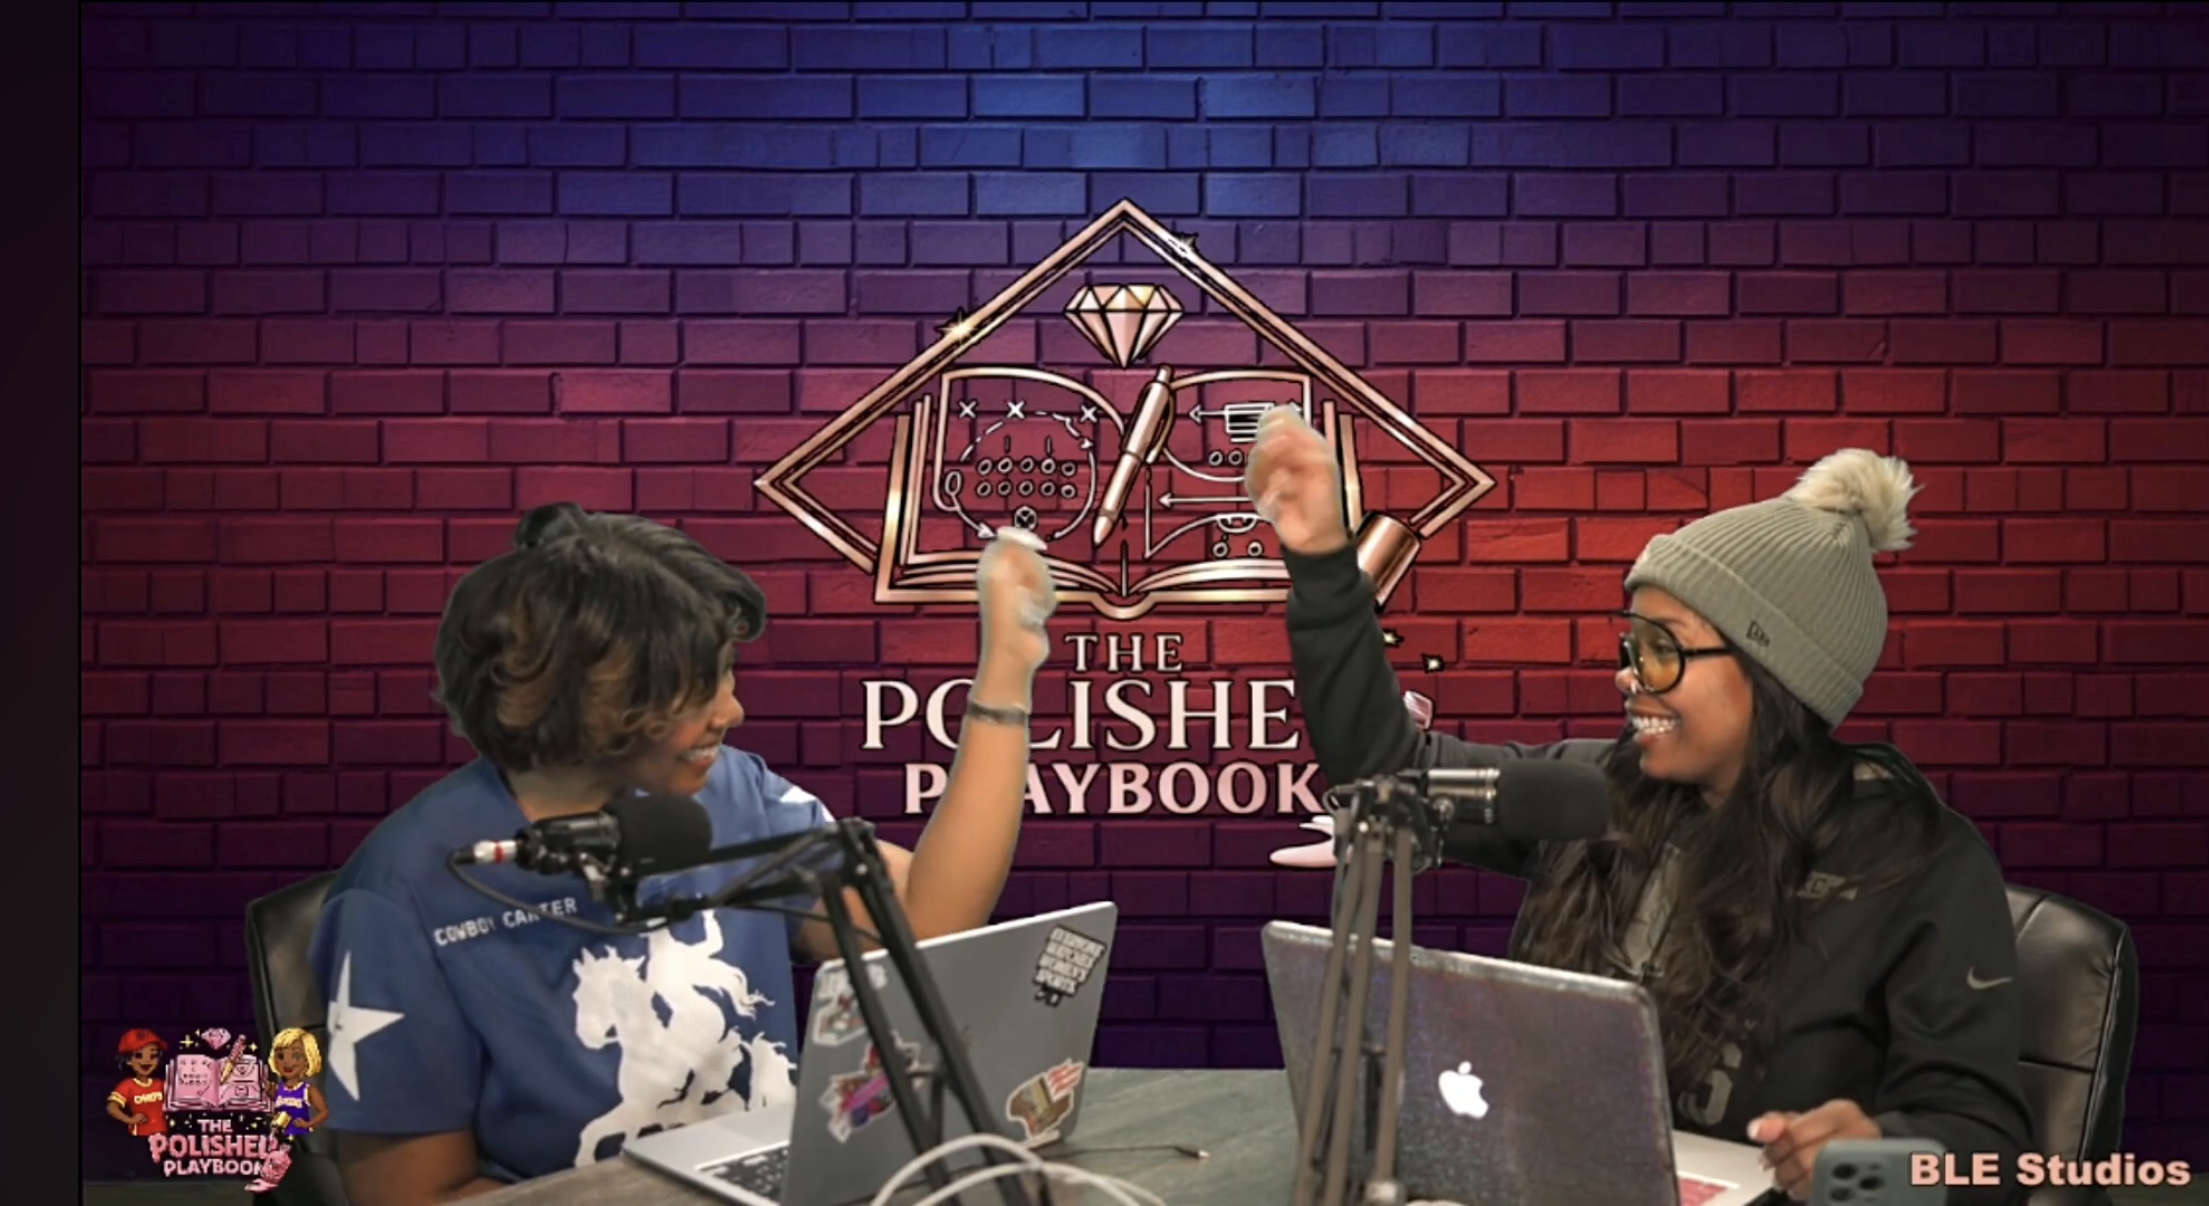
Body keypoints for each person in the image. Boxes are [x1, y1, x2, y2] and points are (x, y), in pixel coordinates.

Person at [1247, 407, 2033, 1204]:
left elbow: (1989, 1149)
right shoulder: (1592, 794)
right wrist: (1321, 567)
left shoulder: (1915, 861)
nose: (1629, 676)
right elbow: (1390, 771)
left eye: (1663, 649)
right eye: (1632, 646)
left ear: (1774, 676)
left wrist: (1876, 1159)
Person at [308, 504, 1058, 1204]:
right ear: (593, 699)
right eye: (696, 691)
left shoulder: (732, 793)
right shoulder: (402, 893)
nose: (731, 711)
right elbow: (413, 1196)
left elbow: (924, 924)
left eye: (725, 677)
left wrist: (1006, 671)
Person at [107, 1029, 168, 1140]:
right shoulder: (127, 1086)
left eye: (153, 1055)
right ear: (128, 1060)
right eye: (139, 1055)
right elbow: (112, 1107)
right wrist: (129, 1120)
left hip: (163, 1136)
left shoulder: (161, 1084)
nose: (146, 1061)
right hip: (139, 1137)